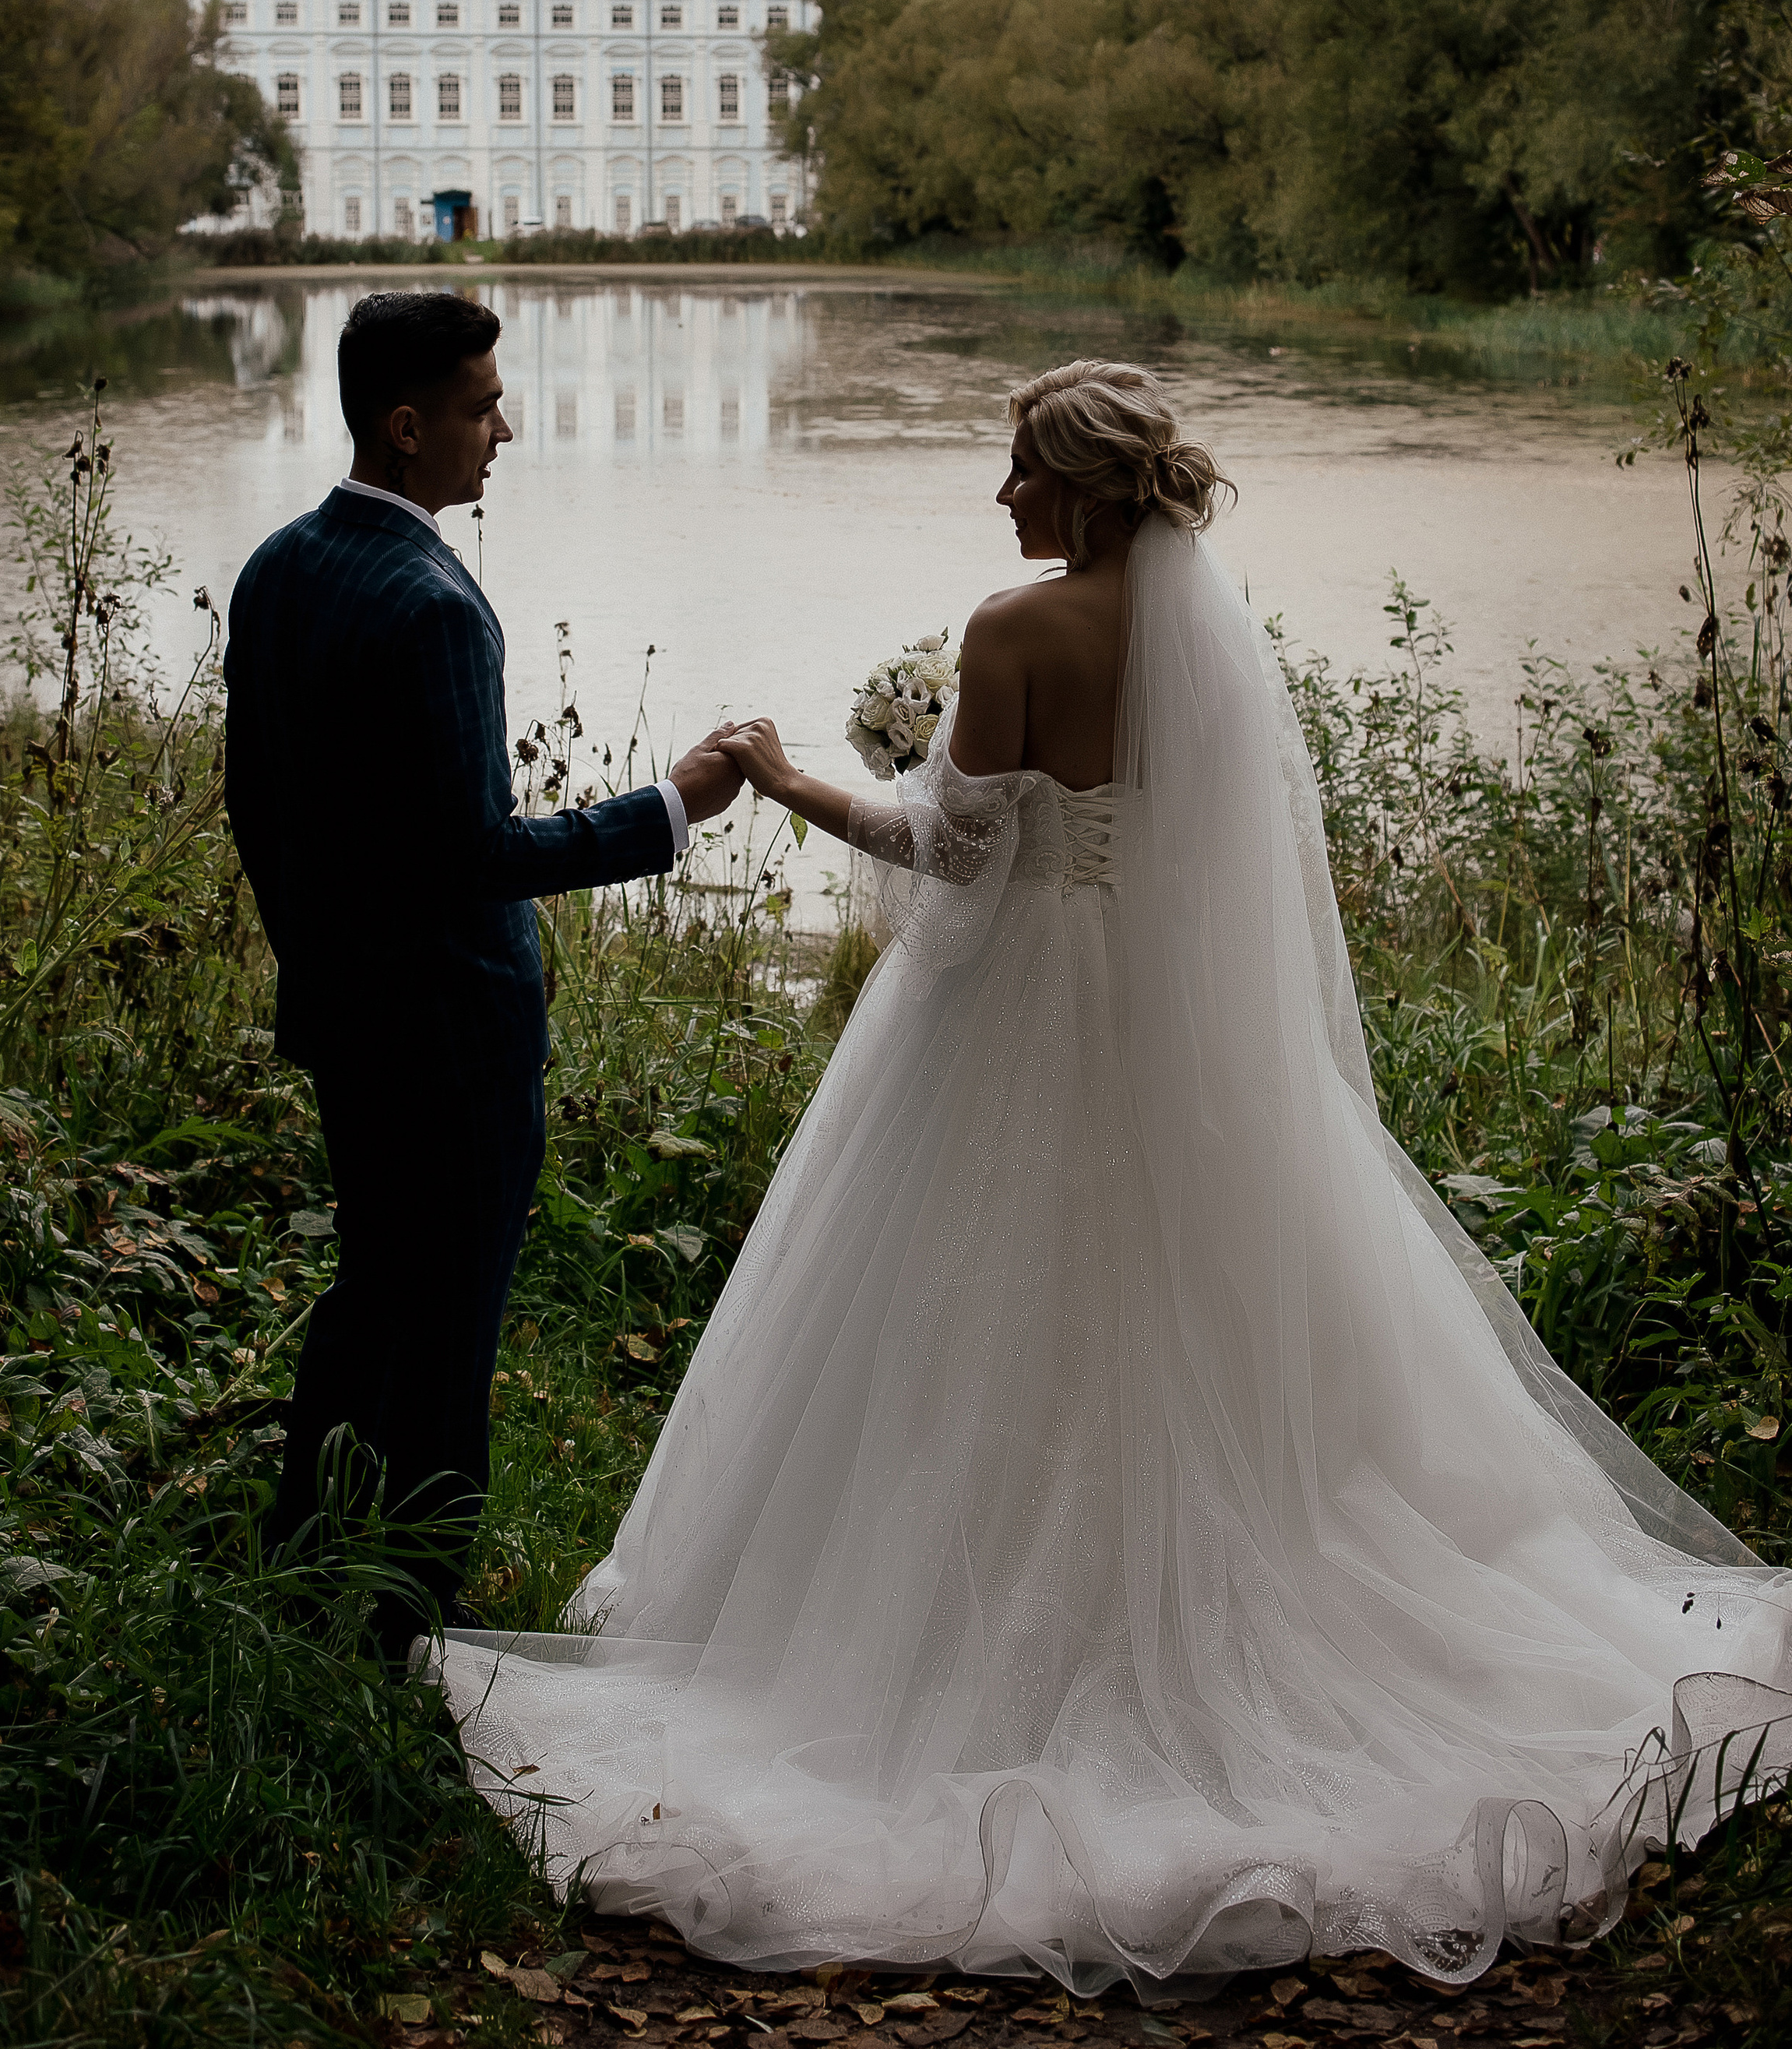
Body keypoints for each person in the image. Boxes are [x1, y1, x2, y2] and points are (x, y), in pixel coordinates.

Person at [442, 359, 1792, 2000]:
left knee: (974, 1309)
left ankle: (934, 1645)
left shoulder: (1013, 632)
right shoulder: (1201, 637)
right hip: (1177, 1029)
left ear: (1079, 488)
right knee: (1185, 1309)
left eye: (1020, 471)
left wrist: (791, 783)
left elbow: (953, 854)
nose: (1002, 498)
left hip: (1020, 1014)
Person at [224, 288, 740, 1643]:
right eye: (479, 406)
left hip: (345, 1010)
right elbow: (476, 852)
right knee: (447, 1326)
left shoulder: (282, 563)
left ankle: (301, 1547)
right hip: (452, 1032)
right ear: (406, 427)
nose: (502, 431)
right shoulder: (434, 602)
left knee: (372, 1291)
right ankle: (409, 1613)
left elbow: (258, 807)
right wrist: (671, 807)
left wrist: (321, 958)